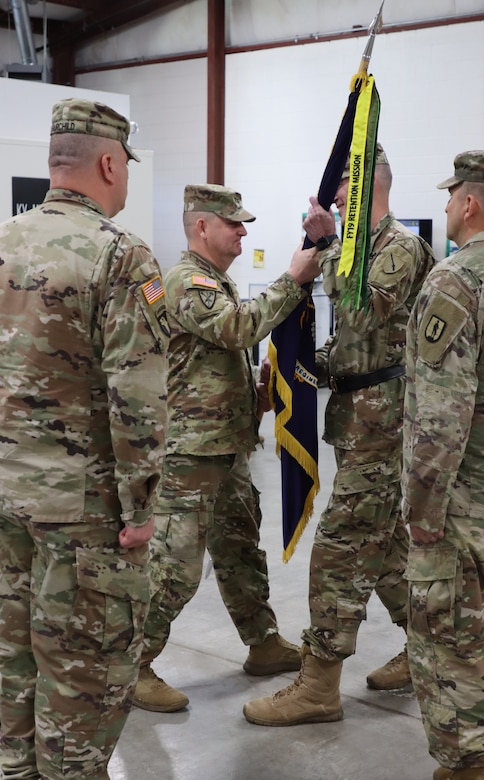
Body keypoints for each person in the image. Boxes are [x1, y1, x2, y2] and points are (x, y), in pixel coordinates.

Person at [0, 98, 170, 780]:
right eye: (123, 165)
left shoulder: (5, 238)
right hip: (83, 511)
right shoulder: (120, 256)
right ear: (107, 163)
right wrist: (143, 509)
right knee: (81, 676)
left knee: (12, 664)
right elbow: (138, 397)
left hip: (7, 495)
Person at [243, 142, 436, 727]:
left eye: (343, 180)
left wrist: (326, 246)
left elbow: (362, 313)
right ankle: (427, 649)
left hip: (385, 423)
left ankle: (319, 685)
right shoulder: (361, 249)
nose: (332, 192)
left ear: (367, 186)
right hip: (359, 419)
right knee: (382, 551)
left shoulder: (399, 247)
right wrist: (310, 365)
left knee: (339, 550)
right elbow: (352, 341)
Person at [132, 182, 322, 712]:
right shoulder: (186, 282)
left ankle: (262, 645)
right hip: (192, 454)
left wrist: (257, 398)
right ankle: (134, 666)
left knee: (239, 551)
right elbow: (237, 329)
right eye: (234, 223)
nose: (242, 232)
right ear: (202, 227)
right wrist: (292, 280)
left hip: (227, 445)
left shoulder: (216, 280)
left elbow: (205, 364)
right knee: (174, 564)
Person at [402, 150, 484, 780]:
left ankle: (469, 763)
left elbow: (440, 417)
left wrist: (422, 513)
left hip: (464, 504)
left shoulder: (458, 281)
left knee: (450, 636)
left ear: (469, 204)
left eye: (452, 197)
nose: (447, 206)